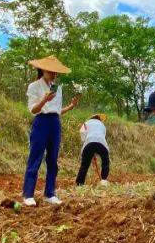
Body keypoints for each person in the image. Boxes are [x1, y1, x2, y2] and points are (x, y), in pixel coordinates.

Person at [22, 56, 78, 206]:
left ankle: (50, 193)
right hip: (41, 121)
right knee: (36, 157)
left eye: (56, 72)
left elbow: (57, 110)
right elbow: (33, 110)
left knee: (53, 159)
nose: (54, 74)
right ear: (43, 70)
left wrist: (70, 107)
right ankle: (28, 194)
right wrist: (44, 100)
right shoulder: (34, 86)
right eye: (51, 71)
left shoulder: (57, 87)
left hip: (55, 123)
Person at [76, 113, 110, 186]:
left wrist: (87, 143)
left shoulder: (86, 123)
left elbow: (82, 133)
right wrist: (95, 150)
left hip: (89, 143)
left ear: (92, 118)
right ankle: (104, 180)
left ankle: (79, 183)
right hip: (101, 143)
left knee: (84, 164)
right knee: (105, 161)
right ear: (99, 119)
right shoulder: (102, 125)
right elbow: (102, 136)